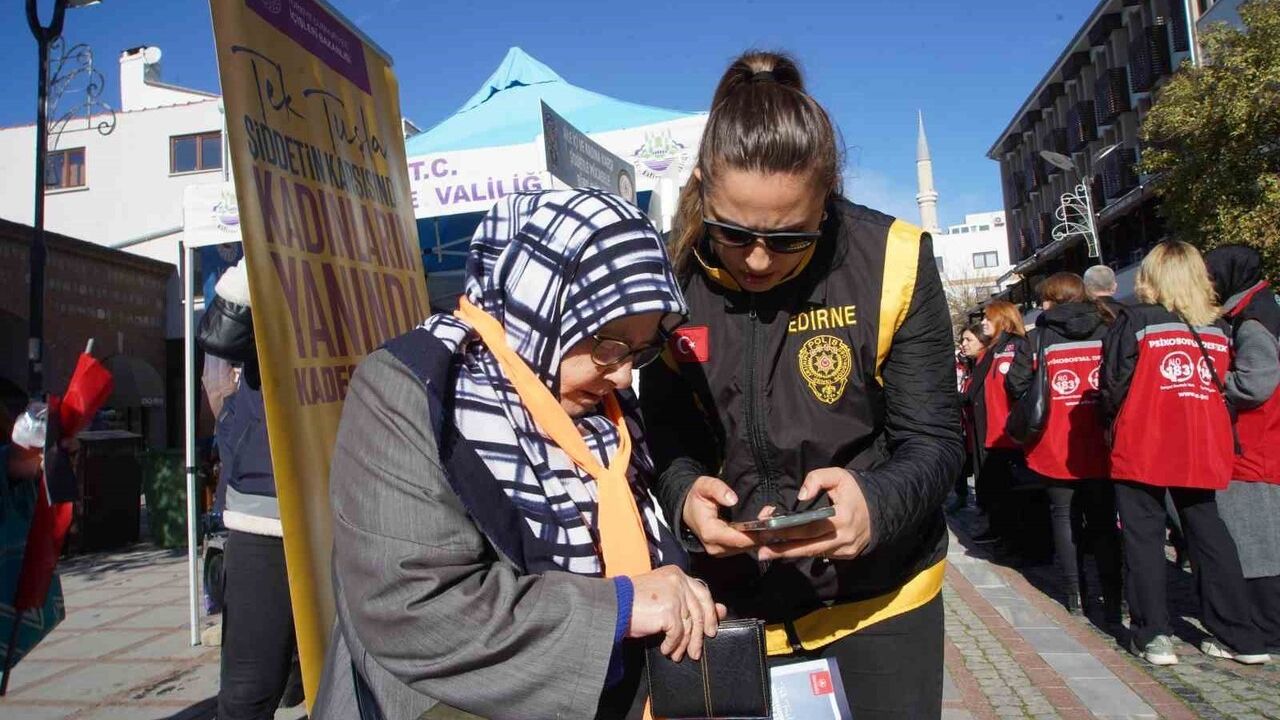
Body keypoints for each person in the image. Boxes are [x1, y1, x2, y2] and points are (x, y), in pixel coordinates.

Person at [312, 190, 723, 720]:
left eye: (639, 350)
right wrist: (620, 607)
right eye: (608, 343)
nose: (622, 374)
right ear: (541, 302)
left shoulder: (603, 405)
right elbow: (414, 607)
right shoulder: (414, 390)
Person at [639, 51, 963, 719]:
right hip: (724, 609)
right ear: (701, 187)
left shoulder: (894, 259)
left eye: (791, 238)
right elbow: (664, 431)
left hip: (882, 604)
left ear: (828, 195)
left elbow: (935, 441)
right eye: (734, 233)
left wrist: (877, 503)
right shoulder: (666, 269)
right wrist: (683, 496)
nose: (759, 259)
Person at [1101, 241, 1269, 666]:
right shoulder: (1217, 327)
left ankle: (1154, 634)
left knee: (1143, 537)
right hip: (1200, 442)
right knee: (1209, 534)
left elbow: (1112, 385)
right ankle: (1239, 635)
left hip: (1145, 439)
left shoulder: (1135, 320)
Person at [196, 260, 304, 719]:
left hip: (347, 498)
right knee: (251, 690)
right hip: (267, 512)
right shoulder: (268, 254)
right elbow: (219, 336)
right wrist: (259, 254)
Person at [1005, 273, 1122, 619]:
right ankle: (1115, 597)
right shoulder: (1109, 327)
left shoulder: (1038, 336)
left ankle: (1076, 594)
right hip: (1100, 434)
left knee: (1063, 515)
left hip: (1055, 439)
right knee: (1103, 519)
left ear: (1052, 300)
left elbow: (1015, 384)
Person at [1203, 245, 1280, 655]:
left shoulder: (1253, 321)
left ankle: (1266, 629)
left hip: (1255, 444)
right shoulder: (1258, 310)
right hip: (1259, 442)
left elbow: (1256, 383)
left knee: (1256, 543)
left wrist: (1214, 383)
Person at [965, 300, 1027, 548]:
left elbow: (1017, 385)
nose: (983, 323)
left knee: (1014, 492)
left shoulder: (1017, 345)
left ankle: (1017, 540)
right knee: (999, 491)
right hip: (992, 432)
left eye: (988, 319)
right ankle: (1005, 535)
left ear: (1002, 319)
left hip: (1010, 432)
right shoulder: (994, 350)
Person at [953, 323, 991, 510]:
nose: (963, 344)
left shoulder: (983, 365)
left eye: (968, 339)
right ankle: (962, 497)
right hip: (963, 426)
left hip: (981, 428)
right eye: (962, 340)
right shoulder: (962, 363)